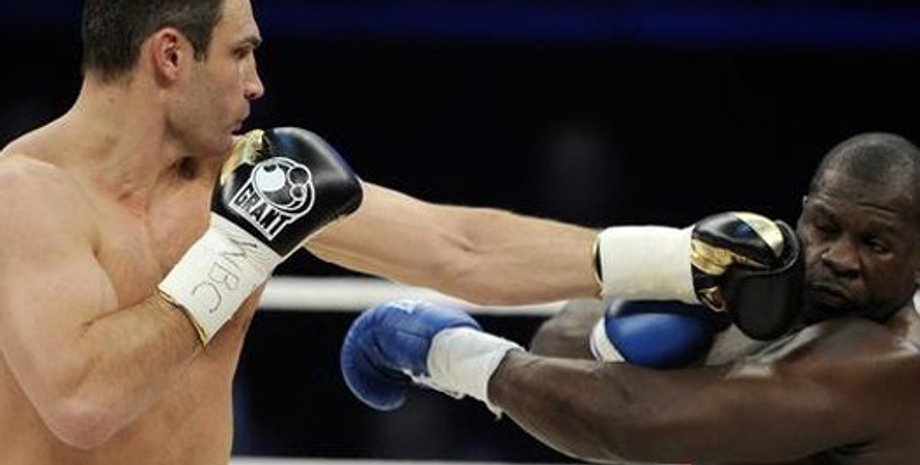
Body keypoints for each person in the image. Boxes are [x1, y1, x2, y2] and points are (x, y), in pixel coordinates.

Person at [2, 0, 758, 463]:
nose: (257, 83)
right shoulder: (26, 196)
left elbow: (458, 247)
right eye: (241, 53)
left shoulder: (244, 175)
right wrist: (234, 252)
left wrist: (676, 258)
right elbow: (83, 402)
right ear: (171, 55)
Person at [341, 132, 920, 465]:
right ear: (803, 214)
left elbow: (633, 425)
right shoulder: (766, 289)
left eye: (875, 244)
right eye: (825, 228)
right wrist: (685, 305)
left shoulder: (891, 364)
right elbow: (557, 343)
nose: (840, 258)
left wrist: (444, 351)